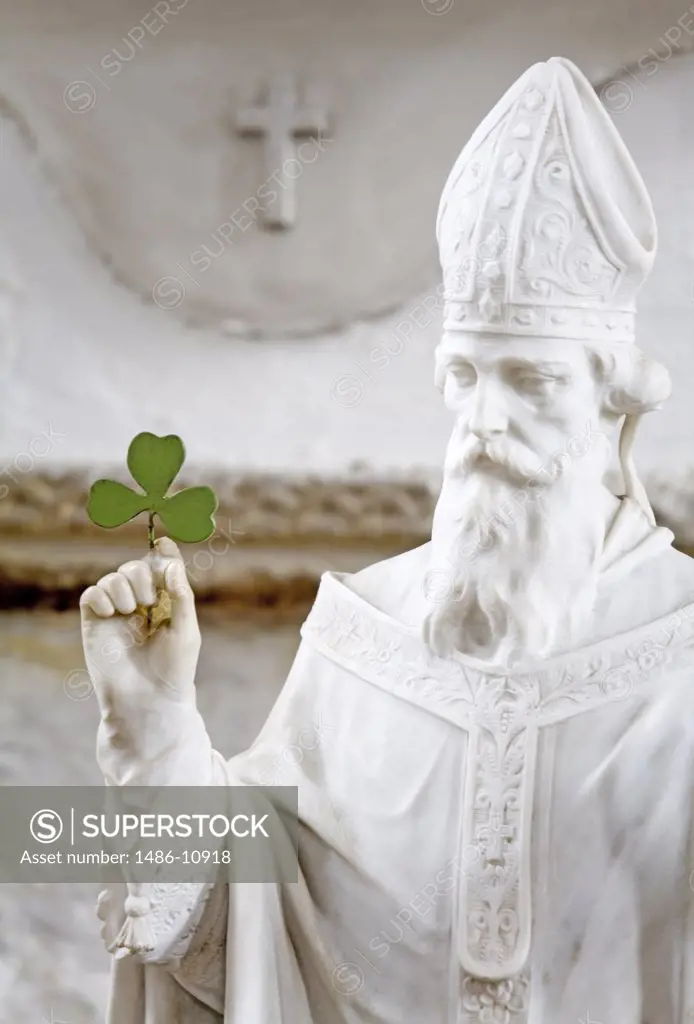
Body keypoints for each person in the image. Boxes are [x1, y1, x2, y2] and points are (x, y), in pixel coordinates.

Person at [81, 56, 694, 1023]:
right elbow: (238, 926)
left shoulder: (682, 659)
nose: (483, 420)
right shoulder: (364, 642)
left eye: (529, 382)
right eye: (464, 375)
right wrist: (159, 729)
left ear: (613, 408)